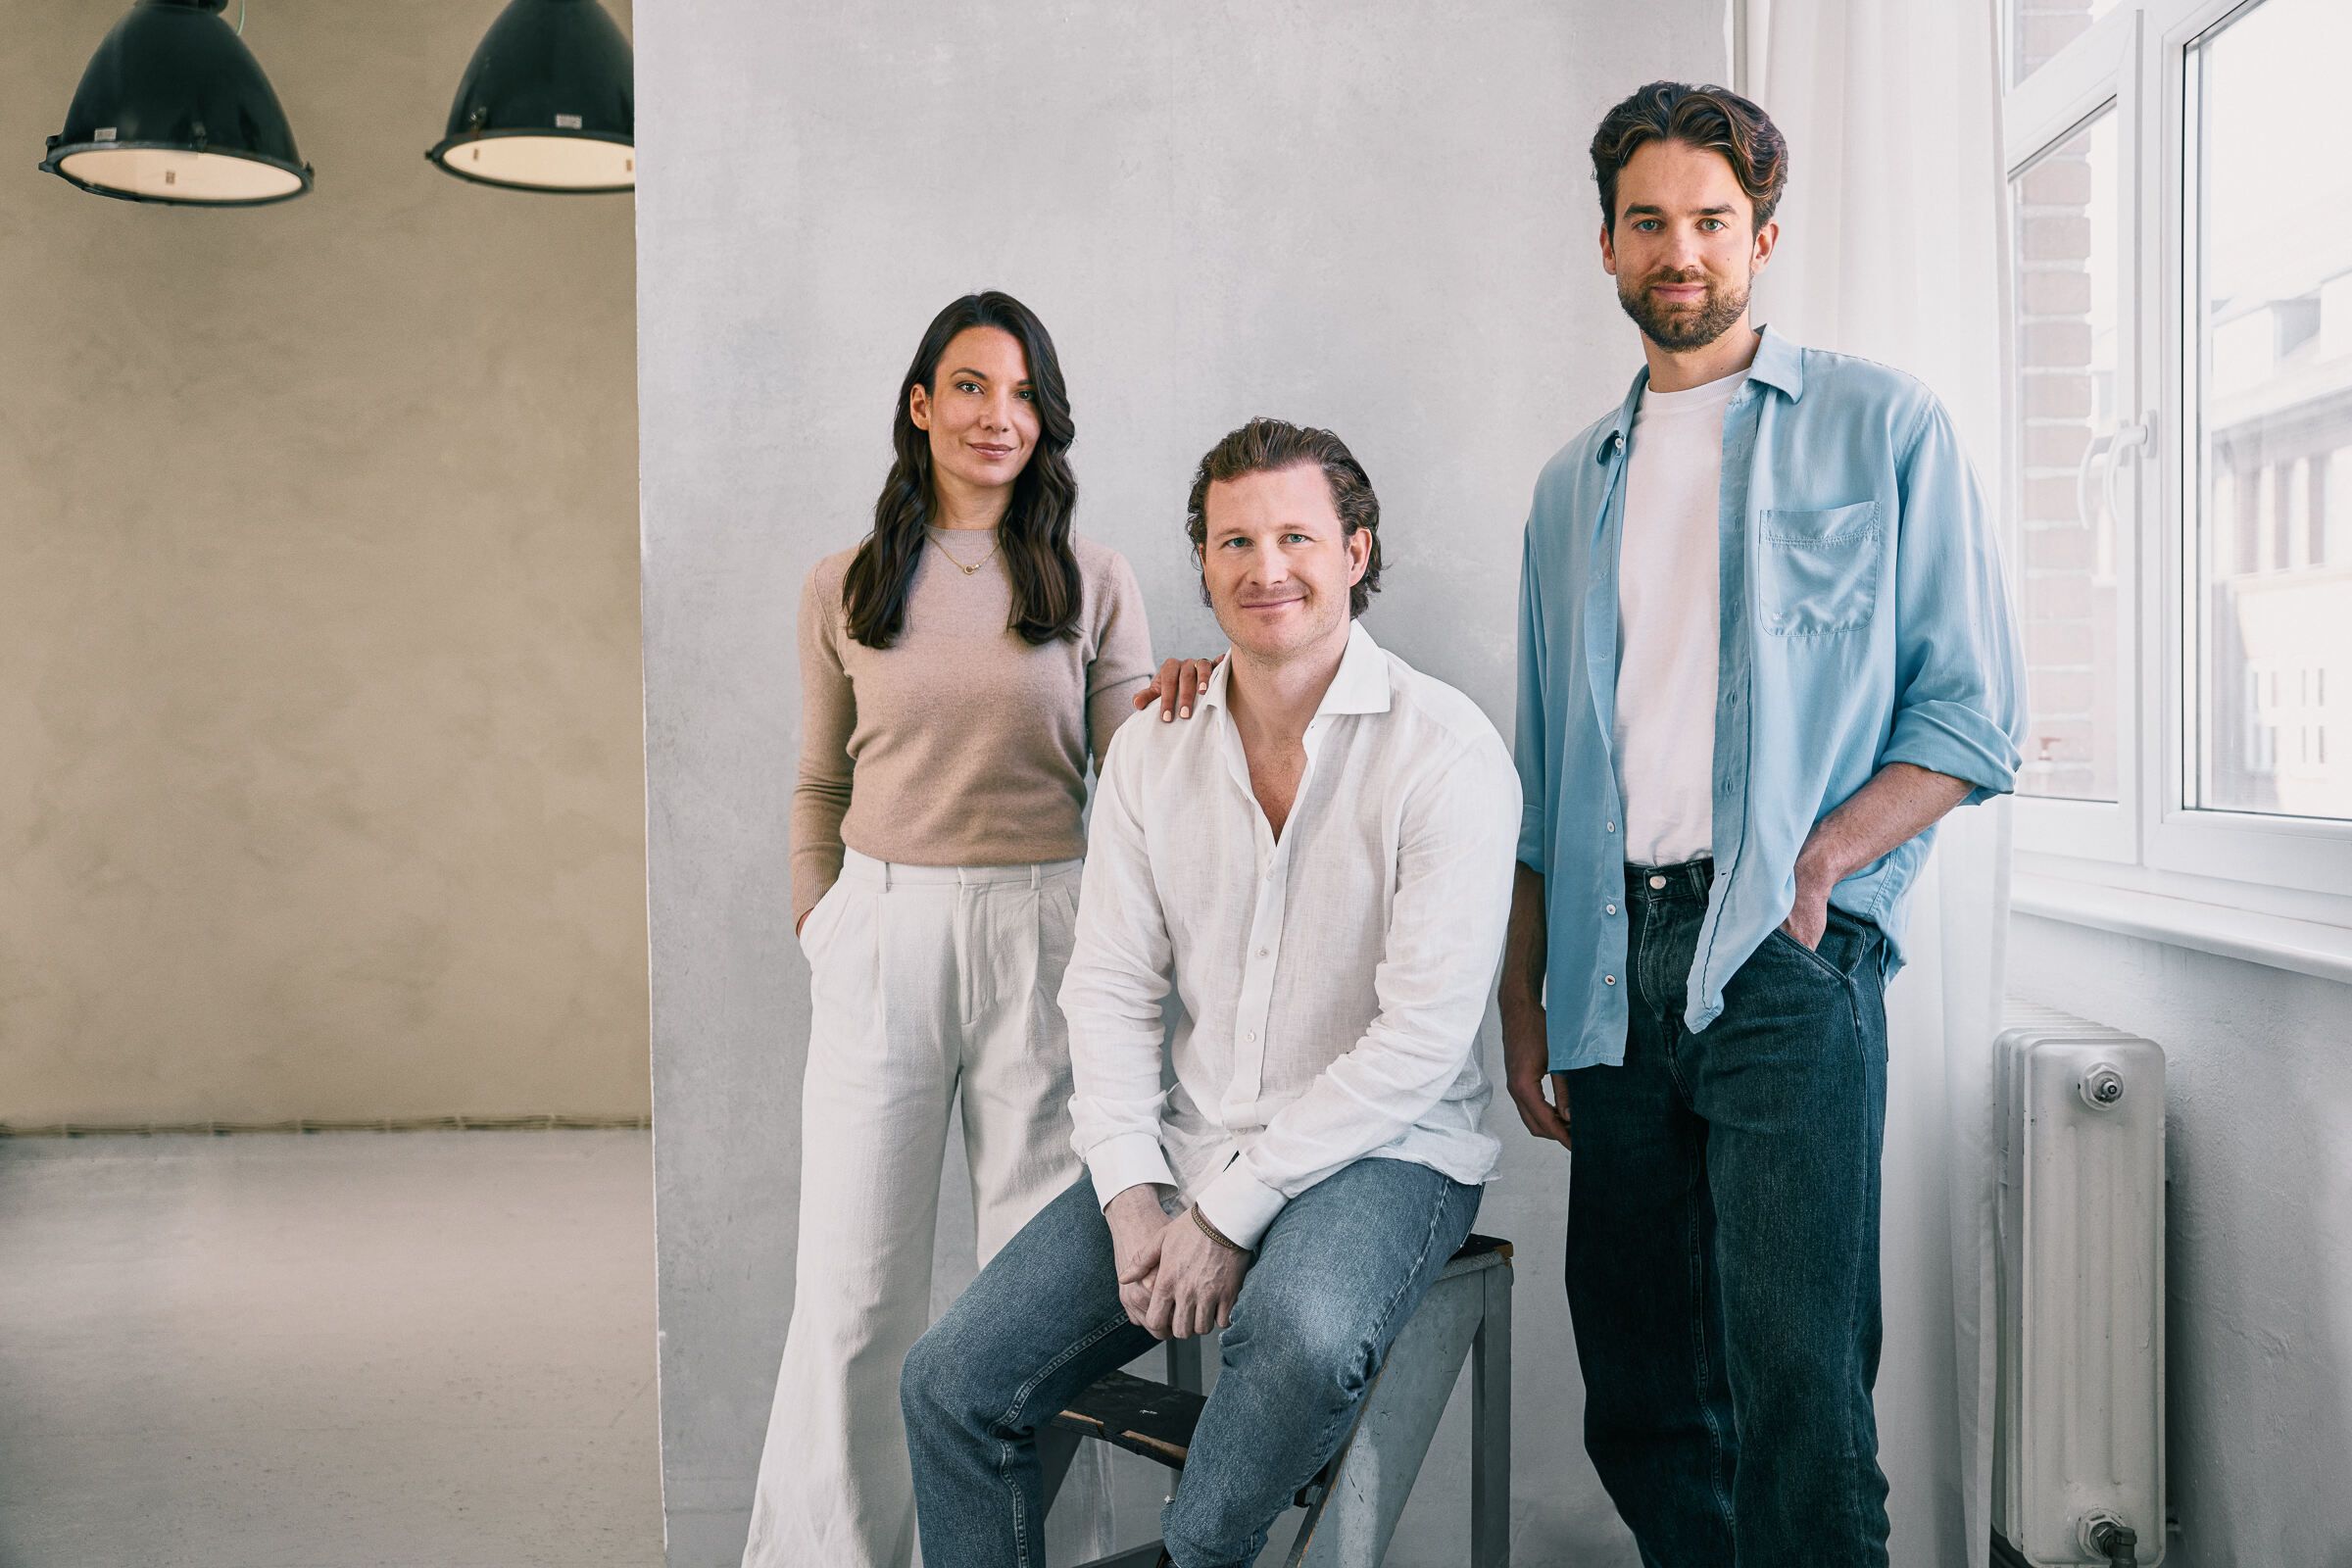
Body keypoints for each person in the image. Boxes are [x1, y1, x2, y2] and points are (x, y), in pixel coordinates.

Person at [1497, 82, 2028, 1568]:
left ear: (1765, 237)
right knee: (1643, 1394)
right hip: (1610, 972)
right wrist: (1523, 995)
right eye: (1649, 221)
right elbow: (1546, 775)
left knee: (1798, 1395)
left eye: (1712, 222)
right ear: (1605, 246)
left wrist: (1824, 862)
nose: (1682, 251)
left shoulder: (1883, 425)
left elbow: (1973, 714)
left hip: (1787, 963)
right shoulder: (1563, 494)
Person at [900, 417, 1521, 1568]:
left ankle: (1201, 1552)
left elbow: (1421, 1041)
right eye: (1234, 541)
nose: (1265, 567)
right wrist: (1136, 1191)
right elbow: (1112, 988)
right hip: (1187, 1141)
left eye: (1296, 535)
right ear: (1203, 564)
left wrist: (1229, 1216)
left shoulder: (1446, 753)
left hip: (1387, 1150)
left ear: (1357, 552)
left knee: (1293, 1335)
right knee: (949, 1384)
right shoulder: (1153, 748)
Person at [744, 291, 1168, 1568]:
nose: (1000, 416)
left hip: (1048, 932)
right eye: (973, 388)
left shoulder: (1092, 578)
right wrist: (821, 914)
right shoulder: (846, 584)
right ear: (921, 406)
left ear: (1048, 420)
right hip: (881, 932)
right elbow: (820, 781)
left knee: (1020, 1307)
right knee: (856, 1293)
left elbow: (1137, 779)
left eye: (1025, 394)